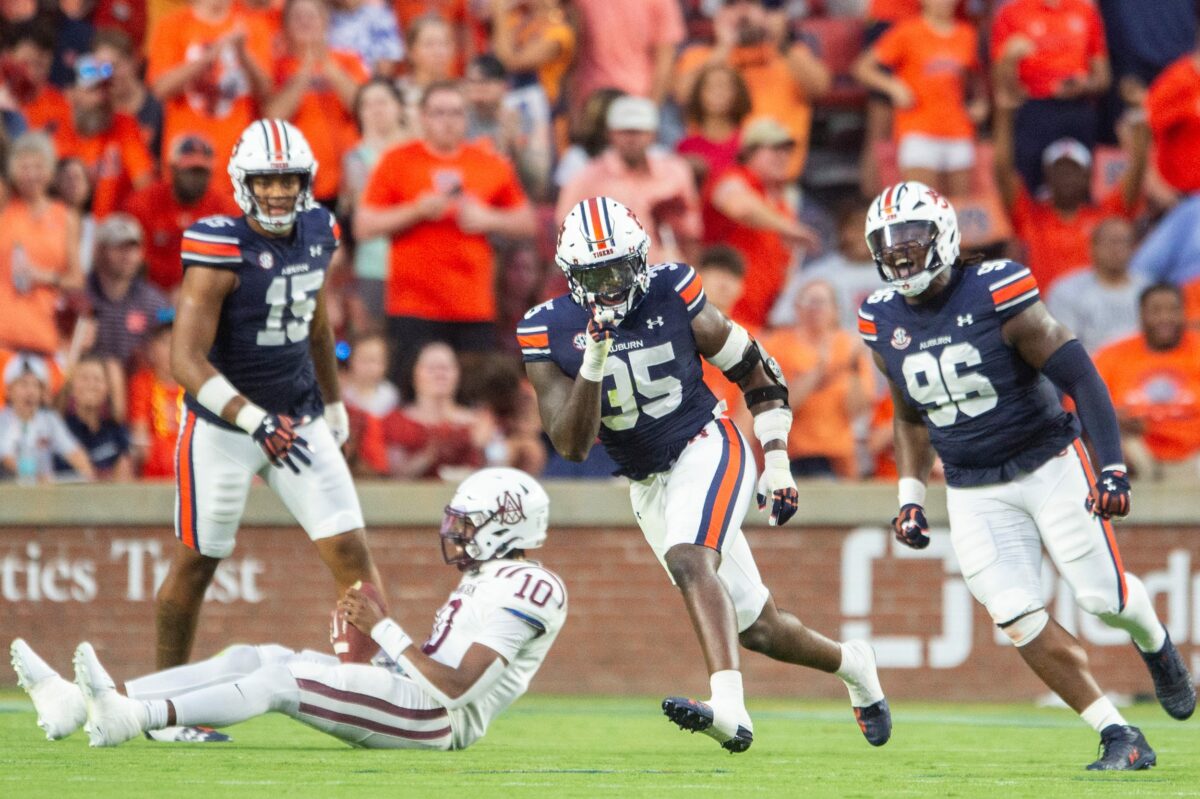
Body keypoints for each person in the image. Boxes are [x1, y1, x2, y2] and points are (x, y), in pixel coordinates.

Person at [520, 195, 891, 753]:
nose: (611, 287)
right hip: (648, 481)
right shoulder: (547, 329)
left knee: (692, 558)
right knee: (759, 629)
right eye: (596, 275)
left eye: (619, 270)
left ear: (641, 260)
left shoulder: (673, 291)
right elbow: (571, 445)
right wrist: (594, 358)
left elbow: (756, 369)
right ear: (572, 275)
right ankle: (855, 665)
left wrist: (778, 462)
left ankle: (731, 711)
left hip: (706, 442)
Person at [858, 180, 1195, 771]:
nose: (900, 252)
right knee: (1014, 613)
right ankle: (1119, 734)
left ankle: (1157, 645)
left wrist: (1112, 467)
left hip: (1048, 463)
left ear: (944, 235)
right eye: (887, 242)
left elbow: (1082, 376)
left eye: (912, 237)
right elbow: (911, 413)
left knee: (1102, 599)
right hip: (970, 483)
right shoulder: (880, 317)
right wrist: (910, 496)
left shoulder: (995, 288)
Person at [11, 467, 568, 752]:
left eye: (467, 526)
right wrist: (374, 660)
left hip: (435, 721)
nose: (455, 535)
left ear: (507, 525)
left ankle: (133, 718)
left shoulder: (529, 587)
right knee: (258, 654)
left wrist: (386, 632)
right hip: (415, 698)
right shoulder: (490, 576)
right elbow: (431, 668)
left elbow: (456, 688)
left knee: (280, 680)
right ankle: (81, 702)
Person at [155, 120, 388, 742]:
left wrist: (333, 406)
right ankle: (160, 708)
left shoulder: (320, 231)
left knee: (353, 558)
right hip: (224, 427)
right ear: (243, 181)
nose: (280, 191)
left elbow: (313, 321)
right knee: (198, 564)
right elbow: (184, 361)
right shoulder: (217, 245)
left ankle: (369, 697)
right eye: (266, 179)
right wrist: (255, 421)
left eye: (288, 178)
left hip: (299, 418)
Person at [356, 81, 536, 396]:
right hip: (412, 305)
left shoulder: (489, 162)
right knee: (409, 396)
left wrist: (488, 218)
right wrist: (416, 210)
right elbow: (364, 225)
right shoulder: (397, 160)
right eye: (438, 112)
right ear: (423, 118)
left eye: (455, 112)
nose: (448, 120)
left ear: (466, 119)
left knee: (471, 397)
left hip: (473, 305)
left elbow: (527, 223)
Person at [993, 90, 1148, 293]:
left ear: (1088, 177)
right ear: (1047, 177)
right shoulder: (1031, 216)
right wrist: (1004, 115)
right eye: (1059, 171)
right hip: (1044, 316)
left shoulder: (1105, 216)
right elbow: (1003, 171)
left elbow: (1136, 172)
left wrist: (1138, 115)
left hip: (1093, 313)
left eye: (1074, 171)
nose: (1067, 178)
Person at [852, 0, 984, 196]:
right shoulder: (907, 32)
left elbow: (976, 76)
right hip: (918, 128)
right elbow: (862, 67)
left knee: (960, 211)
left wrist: (981, 103)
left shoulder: (967, 34)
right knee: (923, 208)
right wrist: (893, 86)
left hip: (958, 129)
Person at [701, 117, 819, 329]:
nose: (783, 157)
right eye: (774, 149)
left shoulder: (781, 202)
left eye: (786, 151)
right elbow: (740, 206)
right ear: (749, 152)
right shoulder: (732, 178)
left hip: (760, 319)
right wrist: (788, 227)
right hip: (724, 315)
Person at [556, 95, 702, 266]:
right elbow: (566, 230)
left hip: (666, 272)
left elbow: (693, 229)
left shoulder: (675, 172)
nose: (632, 139)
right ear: (609, 134)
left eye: (639, 131)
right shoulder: (587, 177)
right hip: (612, 277)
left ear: (653, 134)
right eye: (625, 131)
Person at [990, 0, 1111, 192]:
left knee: (1078, 189)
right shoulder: (1012, 13)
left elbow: (1103, 78)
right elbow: (1000, 86)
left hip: (1077, 110)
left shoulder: (1085, 11)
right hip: (1034, 110)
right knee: (1029, 189)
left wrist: (1083, 85)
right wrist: (1009, 59)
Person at [763, 280, 873, 480]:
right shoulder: (777, 344)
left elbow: (856, 410)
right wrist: (818, 372)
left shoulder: (848, 345)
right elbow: (777, 407)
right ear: (797, 307)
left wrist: (854, 368)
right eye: (810, 301)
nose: (816, 309)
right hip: (791, 453)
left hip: (839, 456)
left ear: (836, 311)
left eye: (822, 302)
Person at [266, 0, 369, 206]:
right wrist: (305, 68)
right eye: (298, 17)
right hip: (295, 180)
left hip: (346, 179)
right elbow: (273, 117)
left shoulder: (347, 60)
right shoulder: (277, 65)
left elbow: (362, 108)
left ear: (326, 21)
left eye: (312, 16)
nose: (306, 22)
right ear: (285, 26)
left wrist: (327, 65)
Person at [1094, 284, 1200, 481]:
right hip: (1137, 452)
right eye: (1156, 310)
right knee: (1097, 437)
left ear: (1184, 312)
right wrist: (1111, 418)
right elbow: (1079, 408)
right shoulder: (1112, 355)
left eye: (1173, 309)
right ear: (1141, 315)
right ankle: (1113, 505)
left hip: (1194, 452)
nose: (1165, 318)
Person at [0, 132, 85, 358]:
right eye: (24, 167)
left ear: (50, 171)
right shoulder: (5, 208)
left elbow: (77, 280)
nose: (31, 175)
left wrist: (43, 276)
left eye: (38, 167)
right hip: (4, 334)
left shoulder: (65, 217)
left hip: (46, 335)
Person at [122, 133, 238, 293]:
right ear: (173, 169)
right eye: (189, 171)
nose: (195, 179)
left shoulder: (227, 208)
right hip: (150, 295)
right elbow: (131, 261)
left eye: (201, 172)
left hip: (208, 295)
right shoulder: (144, 203)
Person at [339, 79, 408, 328]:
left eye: (382, 102)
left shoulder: (419, 153)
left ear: (399, 107)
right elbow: (363, 208)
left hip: (418, 266)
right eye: (366, 105)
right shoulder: (354, 159)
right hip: (373, 266)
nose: (375, 110)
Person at [54, 54, 156, 217]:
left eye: (106, 89)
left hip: (115, 228)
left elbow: (144, 183)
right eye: (94, 90)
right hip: (69, 223)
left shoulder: (125, 125)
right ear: (73, 94)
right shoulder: (60, 131)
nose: (102, 98)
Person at [1045, 217, 1144, 354]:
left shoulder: (1148, 290)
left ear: (1134, 248)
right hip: (1089, 371)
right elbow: (1063, 350)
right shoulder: (1066, 291)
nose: (1116, 249)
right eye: (1110, 242)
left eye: (1123, 242)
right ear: (1092, 247)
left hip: (1139, 370)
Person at [85, 213, 170, 368]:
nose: (127, 255)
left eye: (133, 248)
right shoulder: (82, 295)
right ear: (100, 250)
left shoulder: (154, 302)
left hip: (139, 384)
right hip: (92, 382)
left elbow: (171, 342)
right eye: (119, 247)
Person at [0, 353, 93, 483]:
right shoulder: (2, 420)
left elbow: (73, 451)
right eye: (23, 384)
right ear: (9, 390)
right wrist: (35, 478)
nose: (30, 392)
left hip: (43, 498)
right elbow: (6, 457)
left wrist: (88, 474)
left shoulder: (50, 420)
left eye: (36, 385)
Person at [676, 64, 753, 189]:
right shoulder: (686, 146)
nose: (718, 92)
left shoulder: (749, 142)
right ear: (698, 94)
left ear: (738, 93)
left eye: (725, 86)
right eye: (710, 86)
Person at [61, 353, 133, 481]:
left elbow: (124, 476)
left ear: (107, 388)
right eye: (84, 378)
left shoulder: (117, 430)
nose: (91, 385)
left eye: (97, 379)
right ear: (71, 387)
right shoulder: (60, 429)